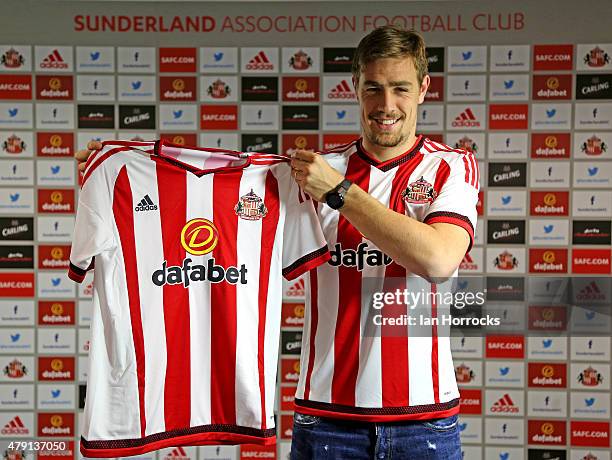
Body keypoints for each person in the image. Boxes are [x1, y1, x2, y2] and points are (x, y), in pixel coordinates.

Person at [76, 26, 478, 460]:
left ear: (423, 89)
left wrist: (340, 192)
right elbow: (214, 193)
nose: (386, 105)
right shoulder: (310, 174)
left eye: (400, 88)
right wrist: (117, 168)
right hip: (326, 419)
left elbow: (438, 260)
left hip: (425, 422)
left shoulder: (450, 167)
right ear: (355, 88)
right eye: (373, 88)